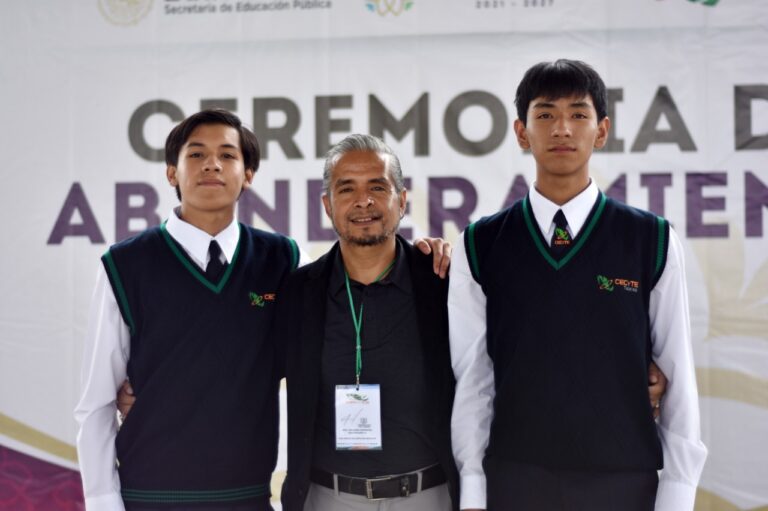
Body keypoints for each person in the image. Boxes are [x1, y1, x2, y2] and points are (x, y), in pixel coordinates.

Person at [76, 110, 450, 511]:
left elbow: (358, 274)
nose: (212, 165)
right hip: (150, 498)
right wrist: (103, 502)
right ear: (172, 173)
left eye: (228, 155)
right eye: (197, 154)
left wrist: (424, 253)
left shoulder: (283, 260)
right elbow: (96, 404)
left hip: (248, 498)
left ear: (249, 174)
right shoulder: (125, 264)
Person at [449, 59, 707, 511]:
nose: (562, 128)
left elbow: (677, 372)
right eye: (545, 114)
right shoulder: (480, 243)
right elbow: (474, 380)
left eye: (579, 114)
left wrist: (678, 493)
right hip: (515, 480)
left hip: (624, 482)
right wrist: (473, 486)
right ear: (521, 132)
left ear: (602, 130)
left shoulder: (651, 238)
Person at [276, 134, 459, 511]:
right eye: (347, 189)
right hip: (329, 499)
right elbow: (245, 372)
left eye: (378, 186)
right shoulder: (298, 292)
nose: (364, 201)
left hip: (429, 497)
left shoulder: (443, 283)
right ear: (327, 205)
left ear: (402, 200)